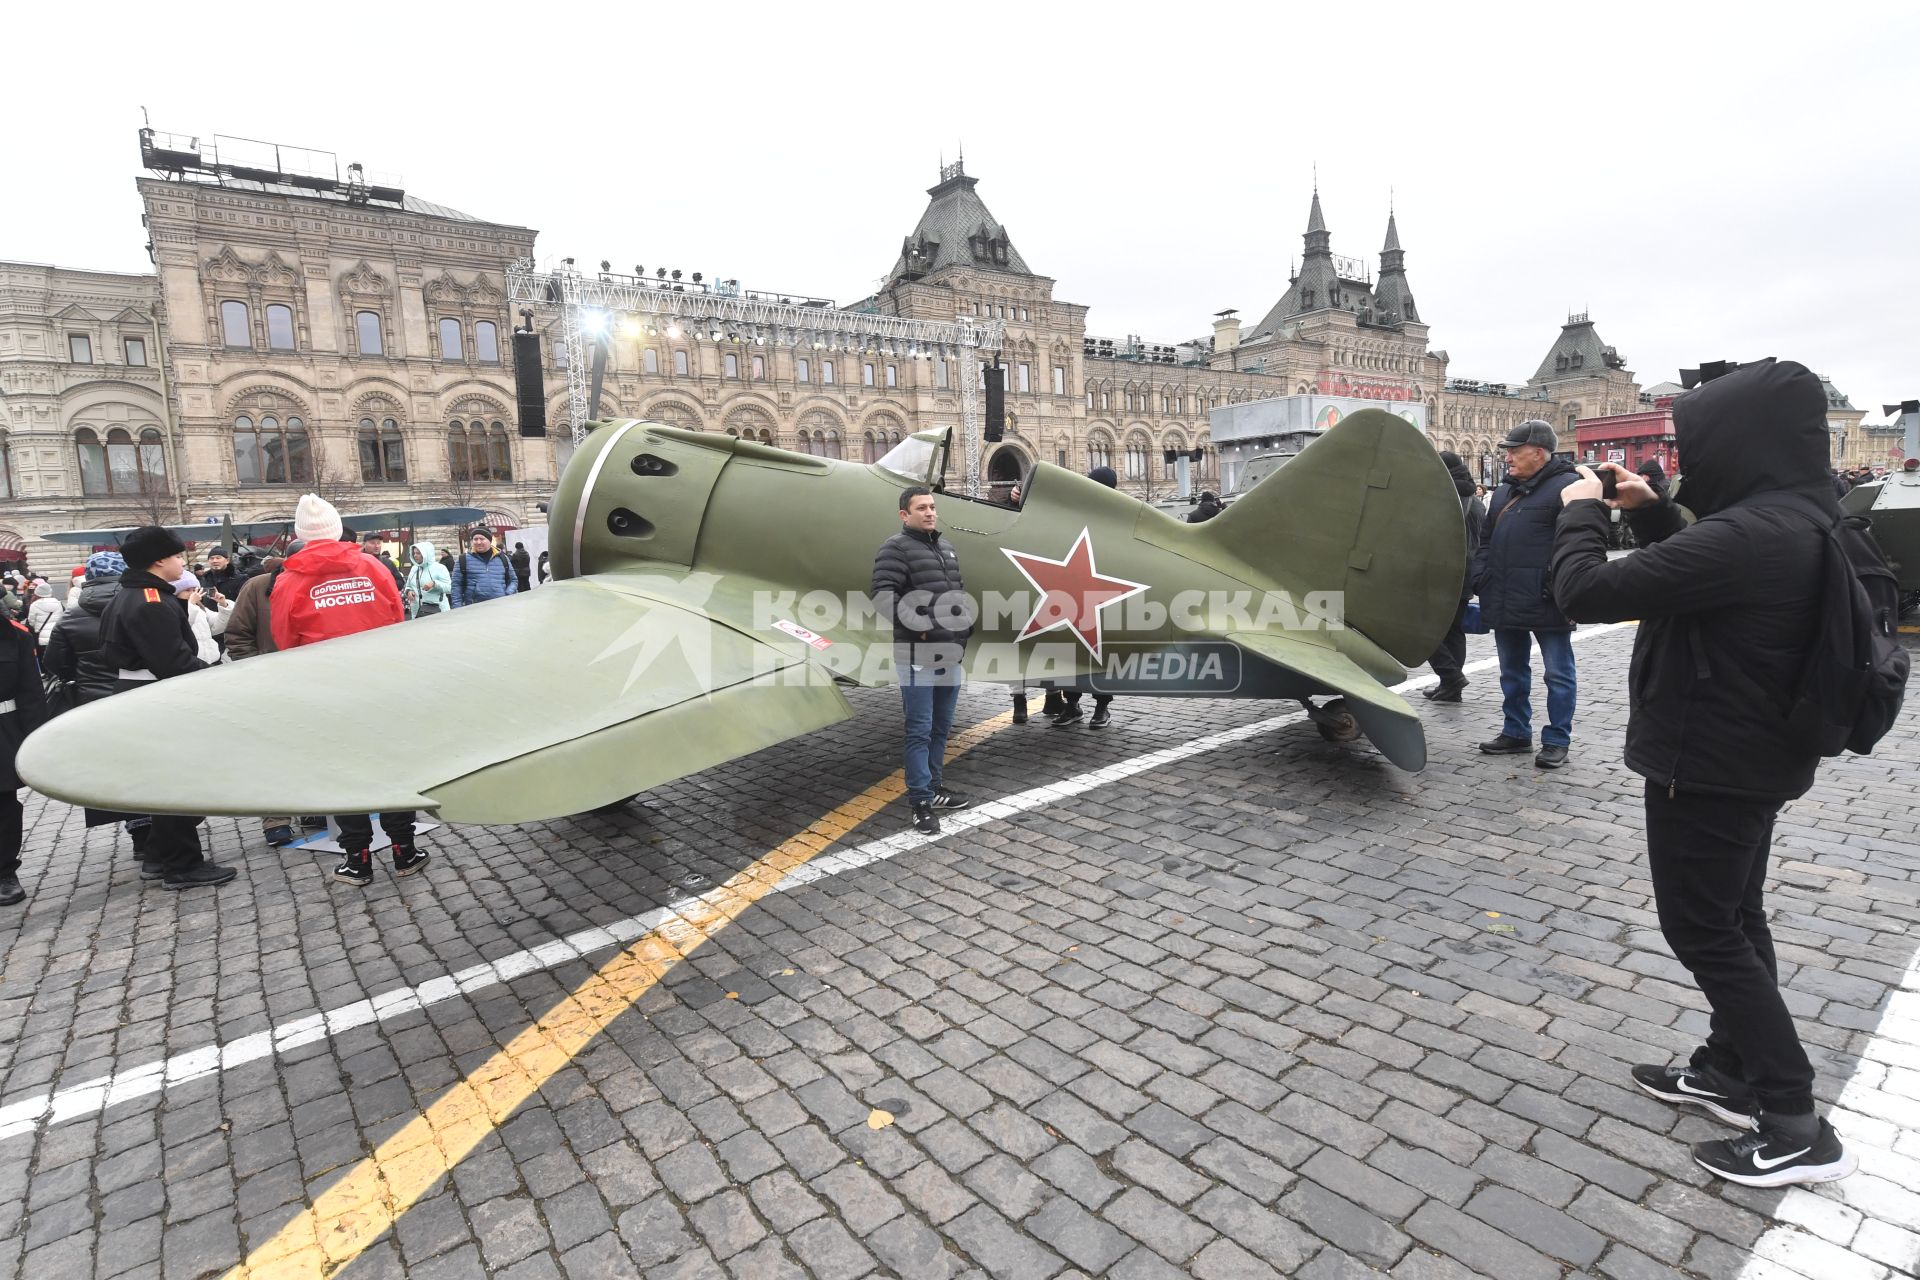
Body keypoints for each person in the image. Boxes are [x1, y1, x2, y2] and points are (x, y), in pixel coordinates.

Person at [1550, 358, 1858, 1188]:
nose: (1691, 458)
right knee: (1734, 916)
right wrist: (1653, 515)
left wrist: (1578, 514)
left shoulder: (1749, 533)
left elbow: (1584, 592)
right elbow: (1695, 572)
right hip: (1748, 752)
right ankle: (1730, 1068)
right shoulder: (1790, 515)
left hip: (1711, 757)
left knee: (1704, 930)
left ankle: (1793, 1118)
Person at [271, 495, 426, 885]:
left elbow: (284, 640)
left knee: (342, 773)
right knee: (392, 766)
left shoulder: (289, 580)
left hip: (325, 692)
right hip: (380, 684)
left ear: (302, 536)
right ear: (338, 529)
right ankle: (404, 850)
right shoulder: (373, 566)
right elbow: (396, 619)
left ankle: (356, 858)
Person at [98, 526, 235, 889]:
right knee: (177, 781)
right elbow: (174, 662)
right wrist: (219, 679)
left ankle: (159, 856)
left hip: (139, 691)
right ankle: (183, 865)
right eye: (177, 556)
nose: (182, 562)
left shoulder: (132, 595)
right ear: (158, 560)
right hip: (157, 694)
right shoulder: (151, 602)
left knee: (163, 779)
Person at [1471, 420, 1580, 768]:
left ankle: (1556, 739)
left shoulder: (1569, 487)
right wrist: (1481, 576)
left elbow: (1580, 545)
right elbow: (1485, 540)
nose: (1508, 458)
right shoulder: (1503, 493)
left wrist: (1564, 588)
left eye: (1515, 451)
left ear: (1539, 453)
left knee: (1557, 673)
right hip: (1504, 595)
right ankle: (1516, 732)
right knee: (1512, 672)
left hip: (1548, 599)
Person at [871, 486, 973, 835]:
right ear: (905, 514)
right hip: (917, 654)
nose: (930, 513)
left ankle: (934, 788)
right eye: (921, 508)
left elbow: (955, 594)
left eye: (932, 507)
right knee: (920, 730)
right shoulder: (895, 548)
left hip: (949, 654)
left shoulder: (945, 547)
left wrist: (963, 631)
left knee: (942, 729)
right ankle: (920, 802)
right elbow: (883, 597)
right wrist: (923, 630)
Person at [1425, 451, 1485, 701]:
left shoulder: (1445, 497)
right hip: (1467, 574)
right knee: (1453, 631)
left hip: (1444, 573)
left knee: (1422, 629)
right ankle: (1451, 688)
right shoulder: (1476, 500)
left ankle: (1451, 677)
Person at [0, 610, 48, 906]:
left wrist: (36, 740)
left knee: (3, 807)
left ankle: (4, 870)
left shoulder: (14, 634)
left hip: (3, 729)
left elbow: (31, 693)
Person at [451, 527, 518, 608]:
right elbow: (456, 586)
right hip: (474, 608)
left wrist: (507, 594)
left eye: (482, 539)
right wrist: (457, 608)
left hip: (500, 606)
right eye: (475, 539)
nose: (478, 542)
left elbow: (513, 580)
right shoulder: (462, 559)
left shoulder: (503, 558)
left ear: (490, 540)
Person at [403, 541, 452, 618]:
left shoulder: (440, 568)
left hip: (438, 612)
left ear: (426, 554)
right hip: (417, 612)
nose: (415, 555)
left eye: (418, 553)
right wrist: (409, 591)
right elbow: (408, 585)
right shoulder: (414, 569)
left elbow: (449, 588)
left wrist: (435, 583)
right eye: (414, 553)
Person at [26, 582, 64, 652]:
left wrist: (36, 627)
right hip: (56, 635)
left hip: (40, 636)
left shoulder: (34, 605)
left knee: (42, 657)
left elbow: (31, 621)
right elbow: (62, 619)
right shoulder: (58, 603)